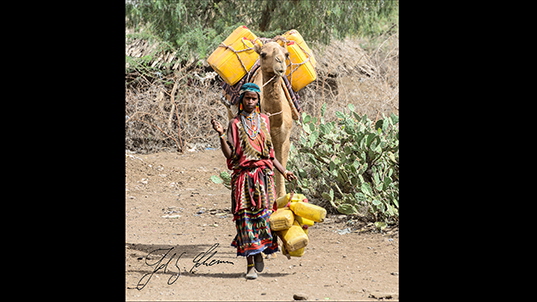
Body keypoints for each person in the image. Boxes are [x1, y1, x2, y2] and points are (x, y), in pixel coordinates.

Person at [211, 82, 297, 280]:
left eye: (254, 99)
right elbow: (231, 154)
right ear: (242, 100)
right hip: (243, 178)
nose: (251, 102)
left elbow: (270, 153)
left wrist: (283, 171)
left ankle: (260, 252)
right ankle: (250, 262)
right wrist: (221, 135)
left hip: (264, 178)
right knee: (246, 220)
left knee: (265, 218)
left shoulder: (264, 121)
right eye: (247, 98)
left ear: (258, 101)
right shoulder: (235, 123)